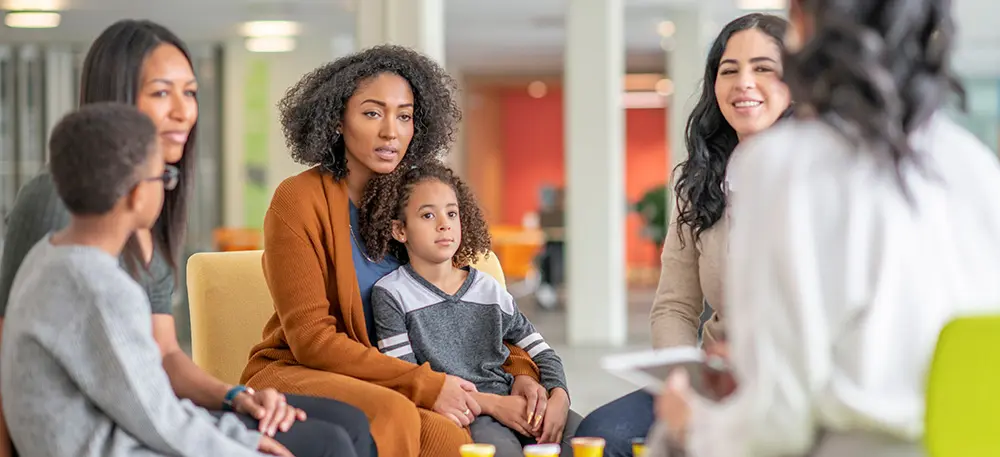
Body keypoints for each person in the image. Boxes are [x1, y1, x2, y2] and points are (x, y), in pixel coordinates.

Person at [0, 20, 372, 457]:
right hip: (113, 429)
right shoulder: (66, 210)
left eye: (190, 92)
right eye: (161, 93)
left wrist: (235, 398)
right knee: (326, 442)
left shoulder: (134, 218)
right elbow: (13, 353)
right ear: (116, 104)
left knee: (347, 421)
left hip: (142, 416)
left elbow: (164, 357)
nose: (183, 111)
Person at [657, 0, 1000, 455]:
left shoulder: (783, 165)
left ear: (803, 26)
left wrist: (690, 427)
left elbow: (776, 424)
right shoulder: (973, 164)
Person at [239, 44, 546, 457]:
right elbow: (311, 340)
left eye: (404, 115)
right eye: (372, 113)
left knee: (452, 439)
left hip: (393, 379)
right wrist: (428, 385)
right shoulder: (298, 199)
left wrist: (523, 372)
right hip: (300, 370)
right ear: (336, 120)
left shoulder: (414, 200)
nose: (391, 131)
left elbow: (462, 306)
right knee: (407, 419)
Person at [573, 13, 791, 456]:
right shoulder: (701, 184)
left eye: (763, 68)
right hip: (714, 377)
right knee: (602, 433)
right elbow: (674, 305)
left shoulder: (828, 182)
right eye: (728, 71)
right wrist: (680, 380)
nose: (743, 82)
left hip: (791, 379)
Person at [361, 162, 581, 457]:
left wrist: (559, 397)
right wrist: (492, 404)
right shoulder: (391, 294)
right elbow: (407, 377)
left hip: (519, 404)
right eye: (428, 215)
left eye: (451, 213)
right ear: (400, 230)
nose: (444, 224)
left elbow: (542, 352)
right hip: (468, 413)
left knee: (596, 441)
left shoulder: (488, 289)